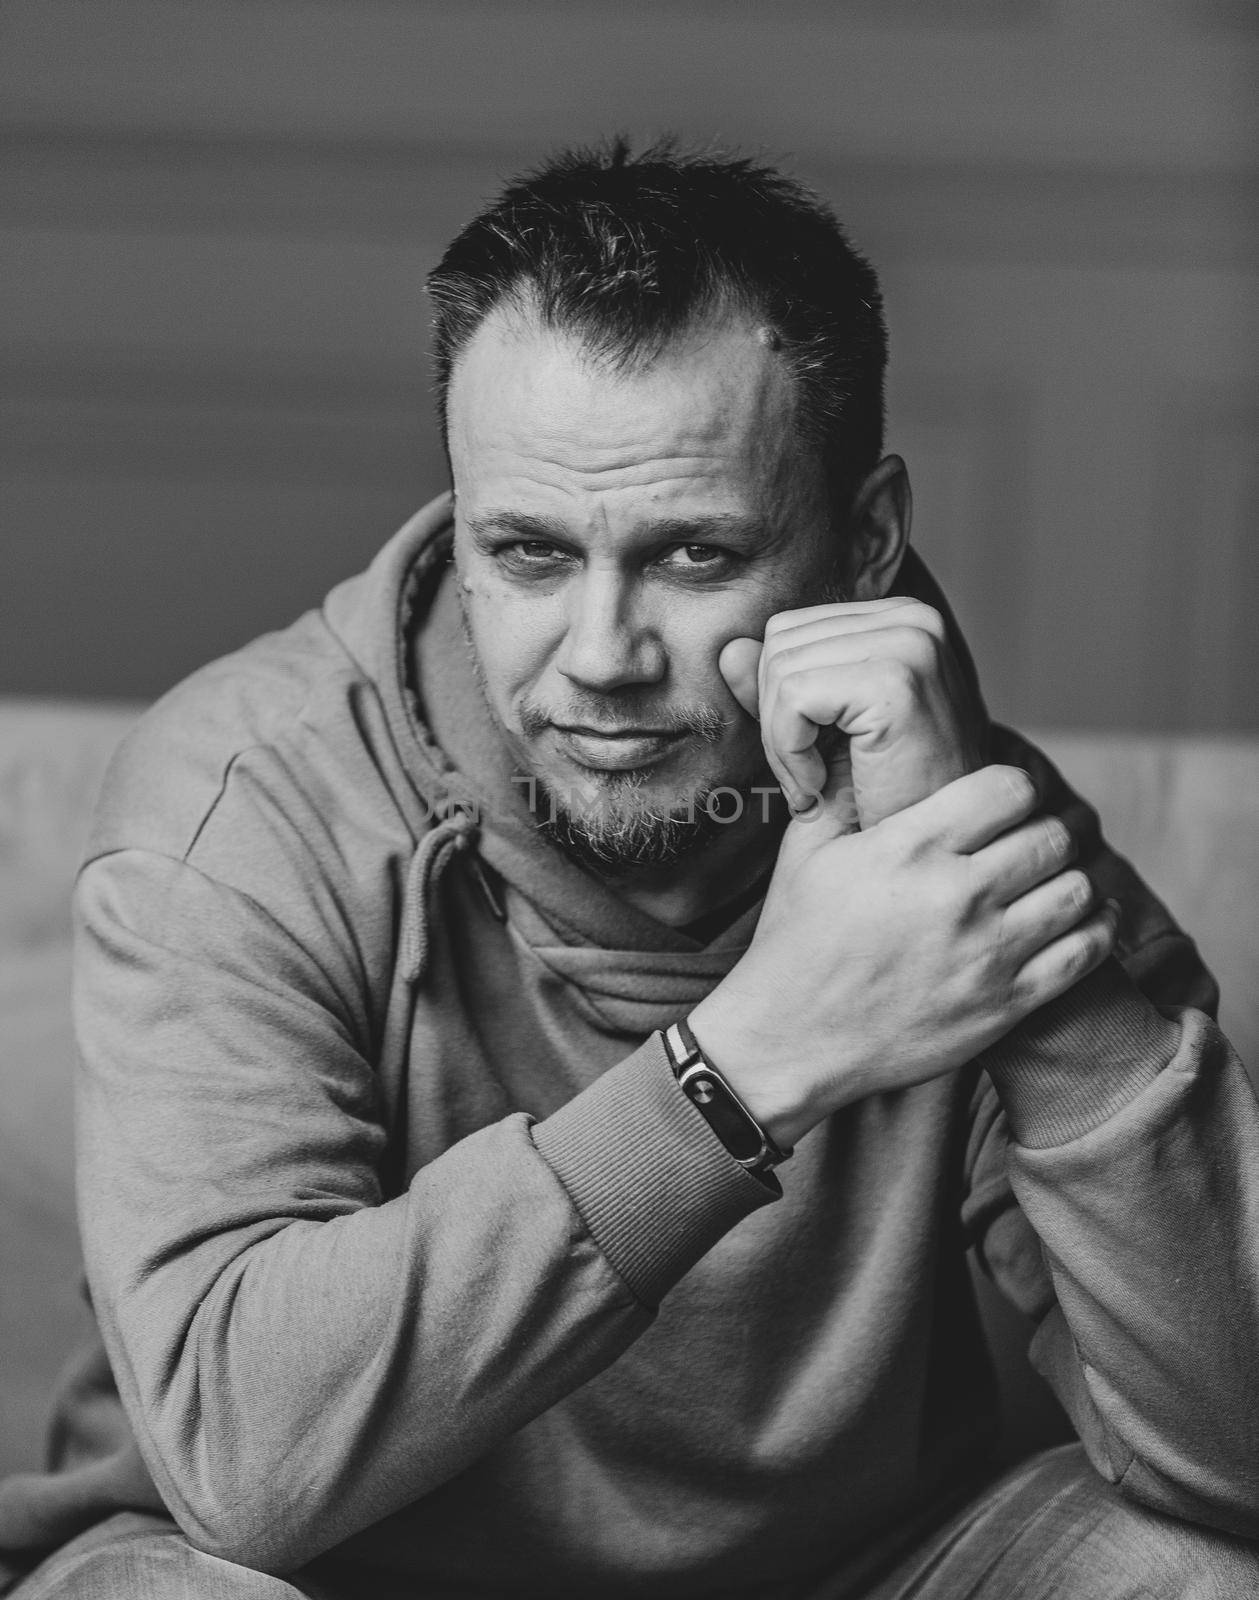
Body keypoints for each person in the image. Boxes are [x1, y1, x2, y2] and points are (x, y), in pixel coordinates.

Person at [1, 139, 1256, 1599]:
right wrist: (754, 1059)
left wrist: (993, 910)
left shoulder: (956, 827)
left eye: (693, 555)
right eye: (527, 553)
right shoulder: (249, 803)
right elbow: (241, 1466)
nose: (600, 656)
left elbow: (1234, 1465)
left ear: (865, 544)